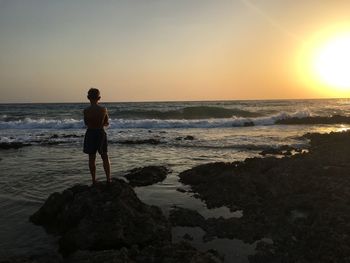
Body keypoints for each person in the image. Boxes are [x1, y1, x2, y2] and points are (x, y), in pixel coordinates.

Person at [83, 88, 111, 184]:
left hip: (90, 133)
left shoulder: (86, 111)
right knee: (105, 157)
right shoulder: (103, 109)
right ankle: (108, 179)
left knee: (92, 158)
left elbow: (86, 123)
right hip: (100, 133)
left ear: (88, 98)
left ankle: (94, 180)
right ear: (99, 98)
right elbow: (106, 122)